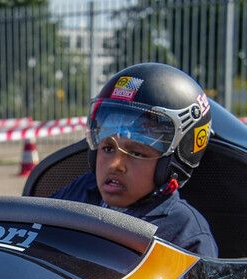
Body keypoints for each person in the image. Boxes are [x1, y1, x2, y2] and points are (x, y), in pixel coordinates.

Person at [53, 63, 218, 257]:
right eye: (107, 148)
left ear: (173, 163)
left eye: (137, 154)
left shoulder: (185, 236)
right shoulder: (79, 193)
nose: (115, 165)